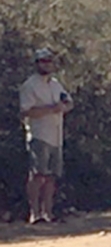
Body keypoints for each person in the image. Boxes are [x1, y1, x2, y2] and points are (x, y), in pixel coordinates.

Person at [19, 47, 73, 224]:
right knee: (37, 174)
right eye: (43, 61)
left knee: (51, 176)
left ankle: (48, 212)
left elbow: (68, 101)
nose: (47, 64)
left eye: (49, 61)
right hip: (39, 135)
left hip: (56, 136)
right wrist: (51, 109)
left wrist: (63, 106)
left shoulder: (56, 84)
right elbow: (26, 111)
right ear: (37, 63)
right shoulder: (29, 85)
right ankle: (34, 213)